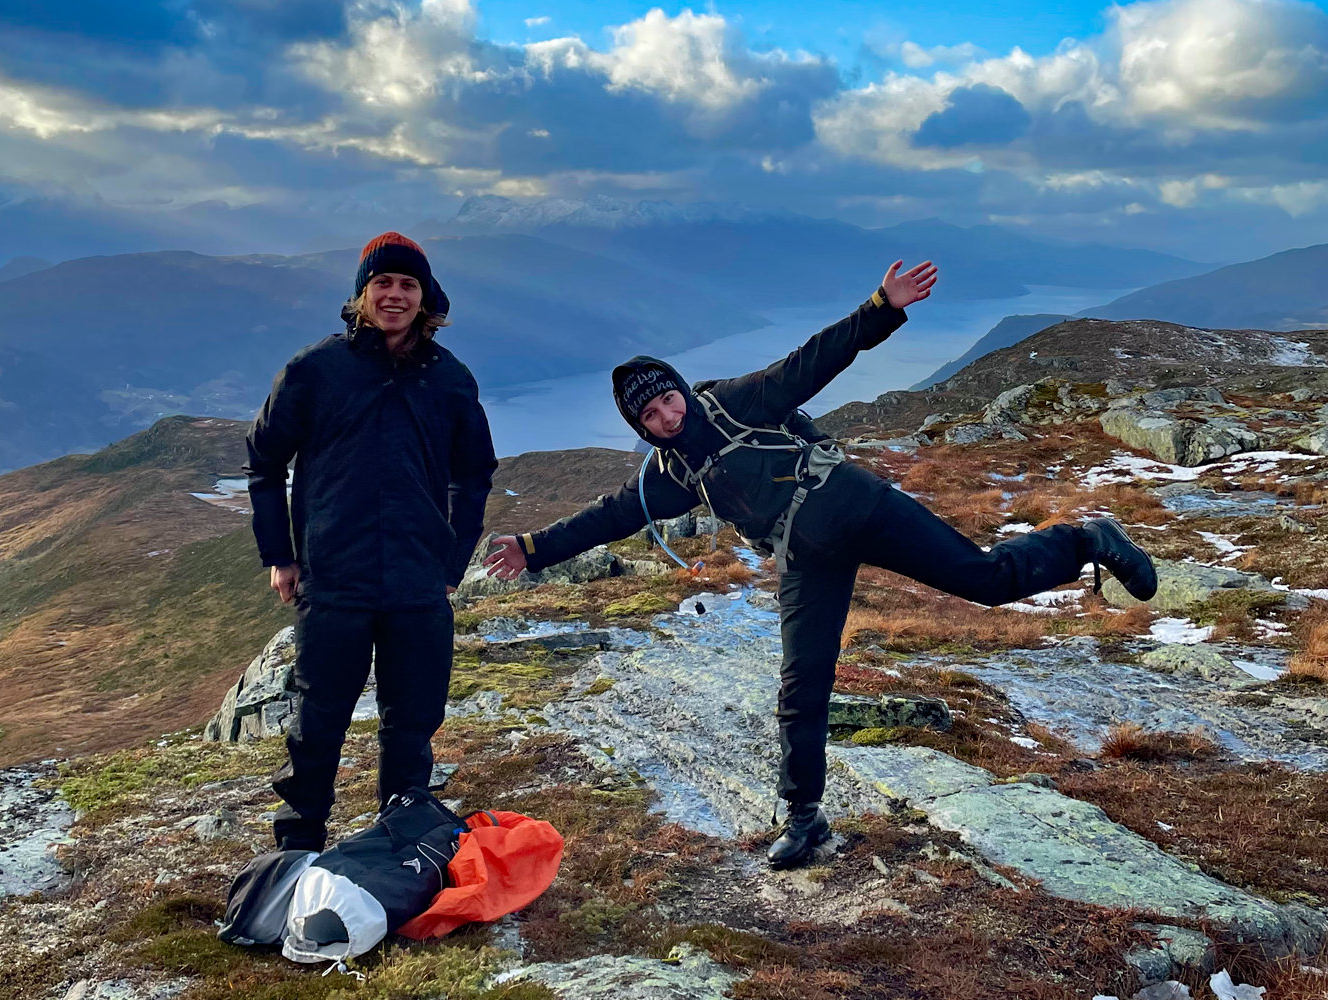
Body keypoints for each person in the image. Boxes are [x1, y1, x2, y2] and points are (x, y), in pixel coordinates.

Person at [484, 259, 1157, 870]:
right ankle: (804, 818)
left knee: (986, 580)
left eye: (668, 398)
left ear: (680, 389)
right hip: (807, 559)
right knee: (801, 689)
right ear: (640, 426)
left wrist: (882, 308)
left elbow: (811, 362)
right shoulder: (668, 475)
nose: (666, 413)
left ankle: (1087, 539)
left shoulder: (737, 402)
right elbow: (608, 517)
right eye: (650, 413)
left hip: (861, 507)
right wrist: (534, 548)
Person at [245, 232, 497, 852]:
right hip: (335, 574)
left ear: (424, 297)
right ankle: (298, 846)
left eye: (408, 285)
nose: (395, 295)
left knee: (413, 722)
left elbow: (474, 474)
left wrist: (452, 560)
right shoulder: (315, 371)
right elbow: (264, 460)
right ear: (362, 293)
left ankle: (401, 842)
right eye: (382, 282)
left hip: (417, 578)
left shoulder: (449, 378)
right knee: (318, 720)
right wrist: (280, 555)